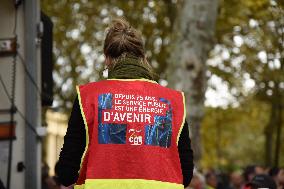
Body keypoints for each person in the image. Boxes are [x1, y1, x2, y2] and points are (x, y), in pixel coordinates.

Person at [57, 18, 194, 189]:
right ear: (143, 57)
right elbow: (186, 172)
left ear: (107, 59)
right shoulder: (173, 101)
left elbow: (66, 171)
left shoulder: (88, 96)